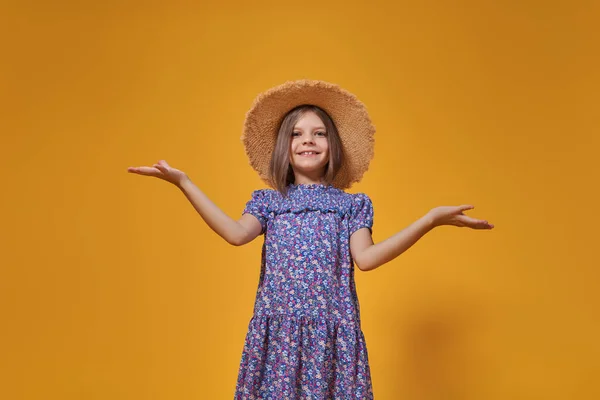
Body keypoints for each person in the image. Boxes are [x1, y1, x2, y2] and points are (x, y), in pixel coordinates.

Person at [127, 80, 494, 399]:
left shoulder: (350, 206)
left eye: (319, 133)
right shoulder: (270, 202)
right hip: (280, 338)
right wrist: (184, 183)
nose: (308, 141)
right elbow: (235, 234)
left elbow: (366, 259)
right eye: (297, 133)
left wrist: (429, 220)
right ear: (283, 147)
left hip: (329, 339)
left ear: (332, 144)